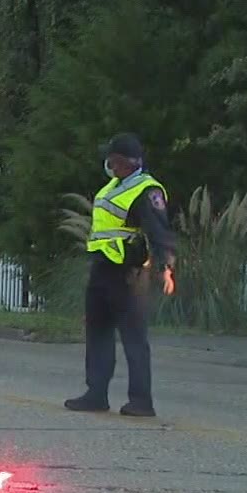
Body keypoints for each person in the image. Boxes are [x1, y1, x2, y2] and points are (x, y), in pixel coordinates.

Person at [65, 132, 175, 417]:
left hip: (128, 272)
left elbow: (159, 231)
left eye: (113, 159)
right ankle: (96, 393)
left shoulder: (146, 190)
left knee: (133, 336)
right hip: (103, 267)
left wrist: (166, 268)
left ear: (126, 161)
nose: (109, 164)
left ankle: (141, 400)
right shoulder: (114, 186)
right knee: (98, 331)